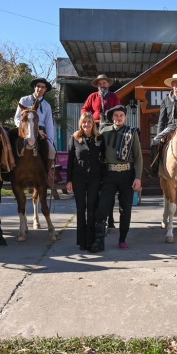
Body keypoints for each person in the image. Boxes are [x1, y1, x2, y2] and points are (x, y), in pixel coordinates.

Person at [89, 105, 142, 253]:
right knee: (103, 207)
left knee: (125, 209)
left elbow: (138, 158)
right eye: (116, 115)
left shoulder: (131, 133)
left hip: (127, 175)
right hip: (109, 175)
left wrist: (138, 178)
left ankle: (122, 239)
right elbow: (96, 152)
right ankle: (99, 240)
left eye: (121, 115)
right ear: (112, 117)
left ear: (125, 117)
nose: (119, 118)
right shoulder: (104, 132)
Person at [81, 74, 120, 229]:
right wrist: (90, 117)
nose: (103, 85)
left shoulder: (114, 97)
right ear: (97, 85)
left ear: (108, 85)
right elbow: (85, 109)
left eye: (105, 83)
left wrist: (112, 117)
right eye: (101, 83)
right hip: (96, 126)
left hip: (110, 127)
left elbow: (118, 110)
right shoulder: (92, 96)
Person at [66, 113, 103, 251]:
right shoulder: (74, 138)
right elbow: (70, 161)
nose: (86, 125)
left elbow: (103, 159)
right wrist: (69, 180)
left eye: (89, 122)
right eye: (84, 122)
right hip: (79, 178)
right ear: (80, 124)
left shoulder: (99, 138)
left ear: (93, 124)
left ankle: (91, 240)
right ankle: (82, 241)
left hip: (94, 178)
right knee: (81, 209)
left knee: (92, 209)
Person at [14, 78, 58, 183]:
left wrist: (50, 140)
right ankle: (11, 171)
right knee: (10, 146)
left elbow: (49, 124)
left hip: (41, 132)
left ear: (45, 90)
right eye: (38, 86)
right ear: (35, 87)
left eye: (43, 87)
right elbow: (16, 118)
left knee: (51, 151)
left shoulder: (47, 106)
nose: (40, 89)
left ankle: (45, 175)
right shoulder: (24, 100)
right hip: (24, 131)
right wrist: (23, 128)